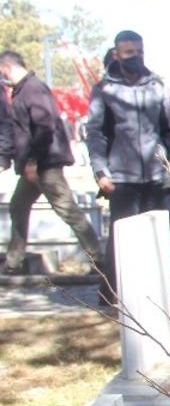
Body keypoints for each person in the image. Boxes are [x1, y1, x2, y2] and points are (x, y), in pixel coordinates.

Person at [85, 30, 170, 304]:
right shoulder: (104, 90)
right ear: (117, 55)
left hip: (158, 175)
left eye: (139, 52)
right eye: (129, 53)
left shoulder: (156, 86)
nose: (136, 57)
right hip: (121, 177)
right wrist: (100, 170)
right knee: (121, 241)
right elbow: (95, 133)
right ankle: (112, 296)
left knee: (164, 238)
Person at [0, 51, 102, 275]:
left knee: (67, 210)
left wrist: (33, 161)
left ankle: (98, 260)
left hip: (44, 165)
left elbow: (44, 127)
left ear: (7, 67)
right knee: (18, 207)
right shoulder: (24, 90)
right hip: (35, 165)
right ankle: (13, 262)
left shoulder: (33, 89)